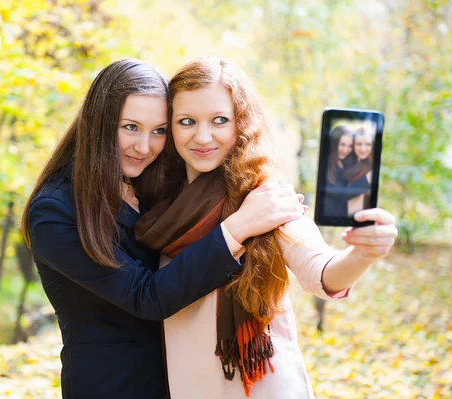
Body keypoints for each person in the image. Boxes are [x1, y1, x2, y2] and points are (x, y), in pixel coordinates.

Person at [20, 59, 306, 399]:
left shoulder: (150, 186)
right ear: (99, 123)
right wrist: (239, 226)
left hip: (179, 383)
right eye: (130, 127)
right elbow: (147, 296)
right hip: (112, 386)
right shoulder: (55, 211)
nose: (145, 146)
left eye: (158, 131)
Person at [135, 57, 398, 399]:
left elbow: (321, 271)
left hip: (260, 387)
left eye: (219, 120)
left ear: (240, 124)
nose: (202, 136)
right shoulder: (157, 204)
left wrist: (363, 253)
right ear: (169, 127)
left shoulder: (262, 196)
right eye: (187, 121)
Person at [324, 125, 354, 217]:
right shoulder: (326, 167)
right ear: (335, 143)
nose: (346, 150)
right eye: (342, 144)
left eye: (350, 146)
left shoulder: (349, 164)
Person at [344, 127, 374, 216]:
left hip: (361, 218)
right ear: (353, 145)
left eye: (368, 144)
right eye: (359, 144)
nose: (363, 149)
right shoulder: (348, 164)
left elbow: (348, 194)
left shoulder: (371, 171)